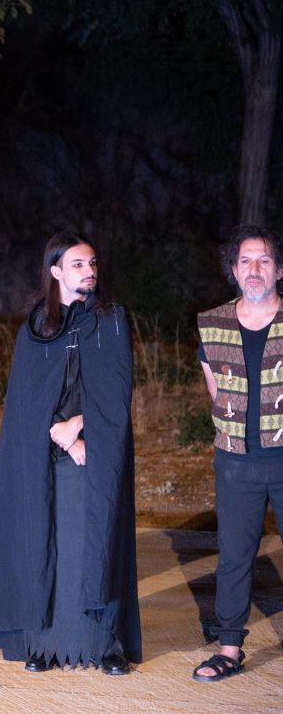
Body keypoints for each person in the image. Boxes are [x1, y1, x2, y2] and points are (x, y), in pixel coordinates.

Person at [0, 232, 140, 675]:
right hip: (45, 454)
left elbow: (115, 393)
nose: (90, 271)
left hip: (96, 453)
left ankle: (104, 645)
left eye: (93, 263)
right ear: (56, 271)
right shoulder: (35, 327)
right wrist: (63, 437)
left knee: (94, 543)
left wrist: (80, 427)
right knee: (44, 543)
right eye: (78, 264)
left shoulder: (111, 320)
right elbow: (26, 402)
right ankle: (43, 646)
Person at [193, 225, 283, 681]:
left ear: (279, 270)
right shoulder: (212, 323)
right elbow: (216, 392)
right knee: (234, 556)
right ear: (233, 269)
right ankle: (229, 649)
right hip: (235, 462)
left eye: (264, 260)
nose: (254, 269)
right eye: (245, 260)